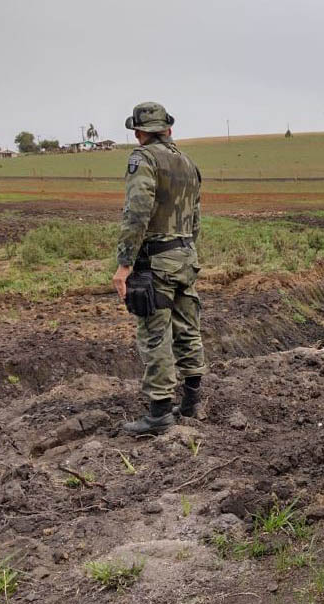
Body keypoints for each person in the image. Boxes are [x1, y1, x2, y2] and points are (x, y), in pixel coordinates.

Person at [112, 102, 205, 435]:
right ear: (168, 129)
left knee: (155, 335)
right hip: (185, 256)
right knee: (187, 328)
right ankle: (193, 402)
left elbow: (137, 212)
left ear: (139, 133)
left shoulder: (144, 159)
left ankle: (159, 413)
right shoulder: (188, 163)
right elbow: (195, 218)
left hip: (157, 262)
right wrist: (186, 251)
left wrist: (124, 264)